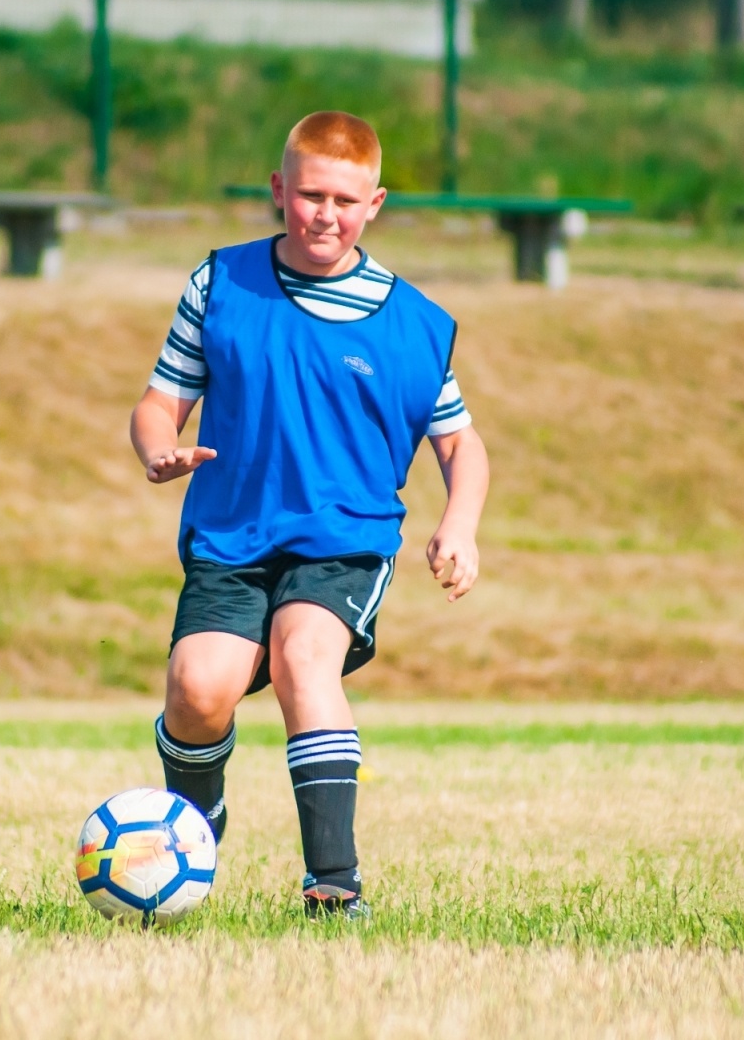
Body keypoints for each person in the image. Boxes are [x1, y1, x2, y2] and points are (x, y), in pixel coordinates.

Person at [128, 110, 491, 919]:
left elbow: (463, 444)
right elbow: (158, 405)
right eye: (310, 195)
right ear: (278, 190)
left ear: (376, 204)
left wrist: (458, 524)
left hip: (344, 539)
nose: (325, 214)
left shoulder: (412, 324)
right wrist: (158, 450)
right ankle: (194, 841)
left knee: (302, 656)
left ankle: (335, 886)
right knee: (197, 688)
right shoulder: (222, 284)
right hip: (233, 535)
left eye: (345, 200)